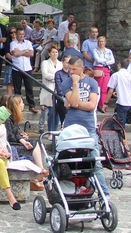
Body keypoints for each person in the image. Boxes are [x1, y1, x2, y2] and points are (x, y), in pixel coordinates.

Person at [59, 57, 108, 195]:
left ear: (81, 68)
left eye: (74, 69)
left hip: (88, 128)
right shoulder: (66, 83)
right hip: (70, 127)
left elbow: (92, 105)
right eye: (70, 69)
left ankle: (104, 194)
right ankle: (67, 191)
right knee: (64, 160)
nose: (71, 72)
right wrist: (75, 84)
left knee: (96, 162)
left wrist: (73, 103)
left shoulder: (92, 82)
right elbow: (73, 102)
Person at [107, 57, 131, 130]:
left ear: (119, 65)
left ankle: (122, 138)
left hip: (122, 102)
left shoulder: (116, 75)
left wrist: (105, 103)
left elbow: (110, 91)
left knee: (120, 124)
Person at [10, 28, 36, 114]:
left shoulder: (28, 42)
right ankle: (18, 105)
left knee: (29, 87)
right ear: (16, 35)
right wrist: (25, 51)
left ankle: (31, 105)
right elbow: (15, 53)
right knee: (17, 89)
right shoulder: (13, 43)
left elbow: (31, 54)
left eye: (22, 34)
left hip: (27, 68)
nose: (21, 36)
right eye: (19, 34)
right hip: (17, 68)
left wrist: (20, 52)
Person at [39, 45, 63, 133]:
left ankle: (55, 131)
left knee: (57, 113)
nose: (55, 54)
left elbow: (63, 76)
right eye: (53, 52)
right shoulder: (45, 63)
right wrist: (57, 78)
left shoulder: (61, 64)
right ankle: (50, 131)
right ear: (49, 53)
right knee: (51, 112)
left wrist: (56, 78)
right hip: (48, 89)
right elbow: (45, 75)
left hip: (58, 90)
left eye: (56, 52)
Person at [92, 35, 115, 112]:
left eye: (102, 41)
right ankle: (97, 104)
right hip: (98, 69)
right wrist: (106, 61)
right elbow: (97, 59)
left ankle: (103, 105)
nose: (101, 43)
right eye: (100, 41)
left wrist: (104, 61)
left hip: (106, 69)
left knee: (105, 88)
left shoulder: (109, 51)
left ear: (105, 42)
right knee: (98, 88)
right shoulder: (95, 50)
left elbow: (113, 61)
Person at [53, 54, 72, 128]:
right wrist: (66, 98)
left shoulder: (72, 73)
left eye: (70, 62)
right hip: (62, 98)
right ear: (62, 62)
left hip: (71, 98)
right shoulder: (58, 73)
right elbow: (59, 88)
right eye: (67, 62)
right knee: (63, 118)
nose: (68, 64)